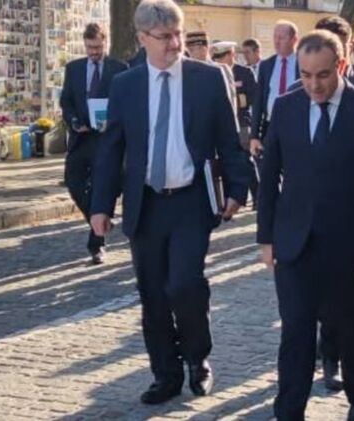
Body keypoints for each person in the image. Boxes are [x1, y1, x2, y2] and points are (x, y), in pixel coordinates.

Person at [89, 0, 251, 404]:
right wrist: (100, 206)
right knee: (153, 294)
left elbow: (229, 139)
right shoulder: (125, 85)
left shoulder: (208, 78)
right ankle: (165, 373)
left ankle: (197, 358)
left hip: (190, 201)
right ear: (142, 38)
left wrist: (237, 189)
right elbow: (112, 149)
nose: (175, 44)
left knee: (184, 285)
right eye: (165, 37)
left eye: (178, 34)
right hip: (146, 204)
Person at [256, 29, 354, 421]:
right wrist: (266, 237)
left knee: (351, 330)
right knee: (295, 331)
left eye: (322, 74)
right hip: (294, 243)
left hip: (349, 248)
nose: (314, 84)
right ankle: (289, 410)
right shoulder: (285, 107)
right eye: (305, 75)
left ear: (341, 66)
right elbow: (269, 176)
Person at [60, 23, 128, 264]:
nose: (94, 52)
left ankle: (96, 245)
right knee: (73, 180)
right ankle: (97, 218)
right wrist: (74, 121)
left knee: (103, 187)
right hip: (81, 137)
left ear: (105, 43)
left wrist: (113, 122)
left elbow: (126, 103)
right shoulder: (74, 69)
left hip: (107, 139)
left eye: (98, 47)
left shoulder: (119, 69)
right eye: (90, 48)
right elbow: (66, 101)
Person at [212, 40, 260, 208]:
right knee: (225, 162)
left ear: (231, 55)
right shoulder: (214, 73)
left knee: (246, 160)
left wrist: (238, 101)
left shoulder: (244, 72)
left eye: (222, 56)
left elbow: (254, 96)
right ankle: (229, 198)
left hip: (242, 122)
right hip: (221, 125)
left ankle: (257, 197)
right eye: (217, 57)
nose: (219, 60)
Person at [249, 20, 300, 158]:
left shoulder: (303, 64)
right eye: (275, 37)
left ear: (294, 40)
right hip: (270, 126)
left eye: (281, 38)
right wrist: (254, 135)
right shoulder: (266, 65)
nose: (277, 42)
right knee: (268, 167)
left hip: (296, 126)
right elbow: (258, 101)